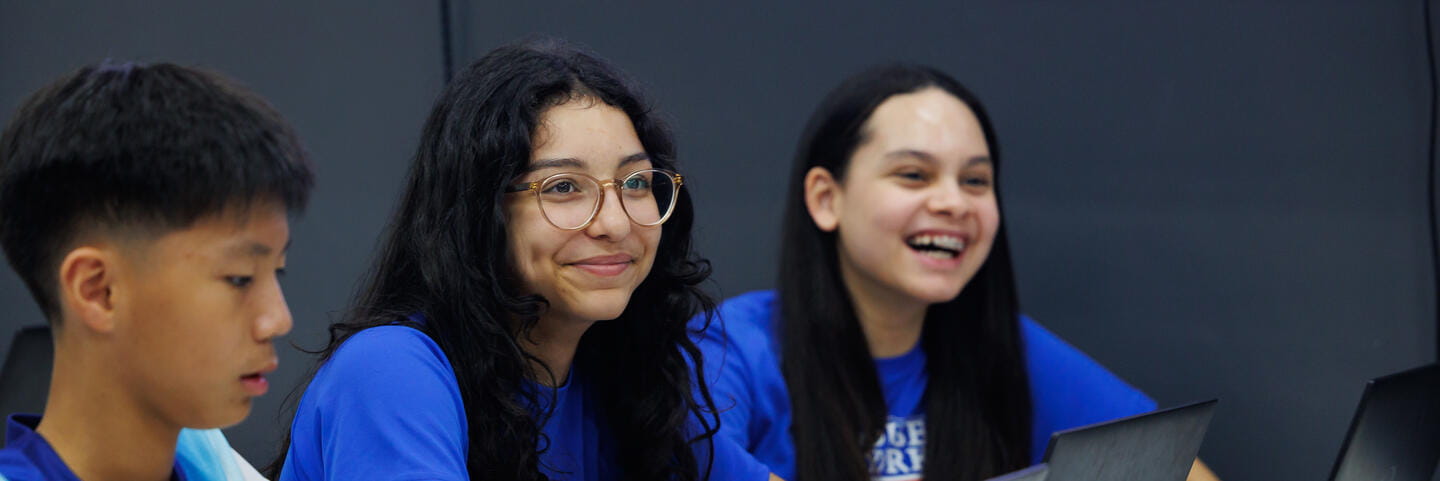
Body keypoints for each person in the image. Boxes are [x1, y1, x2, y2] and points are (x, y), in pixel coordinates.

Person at [272, 38, 774, 481]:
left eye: (636, 183)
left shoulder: (629, 384)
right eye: (563, 188)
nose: (616, 224)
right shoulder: (389, 370)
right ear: (479, 211)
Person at [693, 64, 1219, 481]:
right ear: (826, 199)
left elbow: (1173, 470)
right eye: (914, 174)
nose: (952, 202)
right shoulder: (732, 349)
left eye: (975, 180)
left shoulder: (1004, 348)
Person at [0, 61, 314, 481]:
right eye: (240, 277)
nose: (278, 319)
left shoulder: (213, 463)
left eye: (278, 271)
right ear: (99, 290)